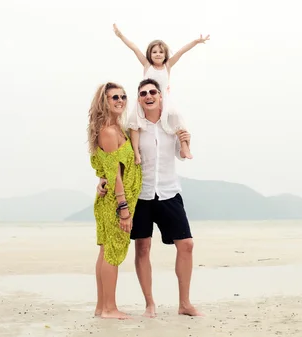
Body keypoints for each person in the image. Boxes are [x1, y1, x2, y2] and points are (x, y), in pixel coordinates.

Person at [97, 78, 202, 318]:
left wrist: (186, 141)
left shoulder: (171, 124)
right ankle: (149, 305)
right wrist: (102, 180)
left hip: (169, 192)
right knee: (142, 248)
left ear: (160, 96)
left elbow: (182, 154)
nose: (148, 96)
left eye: (153, 91)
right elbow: (115, 159)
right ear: (139, 98)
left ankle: (184, 303)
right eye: (143, 93)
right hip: (141, 196)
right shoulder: (133, 128)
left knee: (186, 245)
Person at [112, 23, 210, 164]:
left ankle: (184, 146)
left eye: (161, 52)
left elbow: (181, 52)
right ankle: (136, 154)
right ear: (150, 55)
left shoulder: (167, 66)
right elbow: (134, 47)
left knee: (176, 117)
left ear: (165, 55)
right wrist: (120, 35)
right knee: (134, 123)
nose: (158, 54)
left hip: (164, 100)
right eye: (154, 52)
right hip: (145, 98)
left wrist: (196, 42)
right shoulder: (147, 65)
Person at [87, 82, 142, 319]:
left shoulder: (115, 128)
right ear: (104, 102)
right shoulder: (109, 132)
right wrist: (123, 209)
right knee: (112, 253)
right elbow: (115, 174)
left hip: (111, 199)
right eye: (114, 98)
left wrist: (101, 180)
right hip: (115, 204)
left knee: (105, 253)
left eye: (122, 96)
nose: (120, 100)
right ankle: (109, 308)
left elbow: (104, 169)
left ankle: (102, 307)